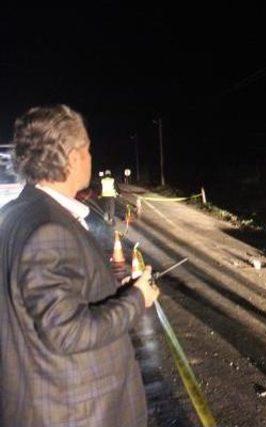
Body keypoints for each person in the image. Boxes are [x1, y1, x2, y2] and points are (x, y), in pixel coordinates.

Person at [0, 105, 160, 426]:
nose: (90, 158)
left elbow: (48, 299)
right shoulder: (48, 229)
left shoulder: (19, 214)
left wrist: (116, 286)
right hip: (76, 410)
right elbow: (67, 332)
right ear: (72, 157)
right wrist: (136, 299)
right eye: (87, 149)